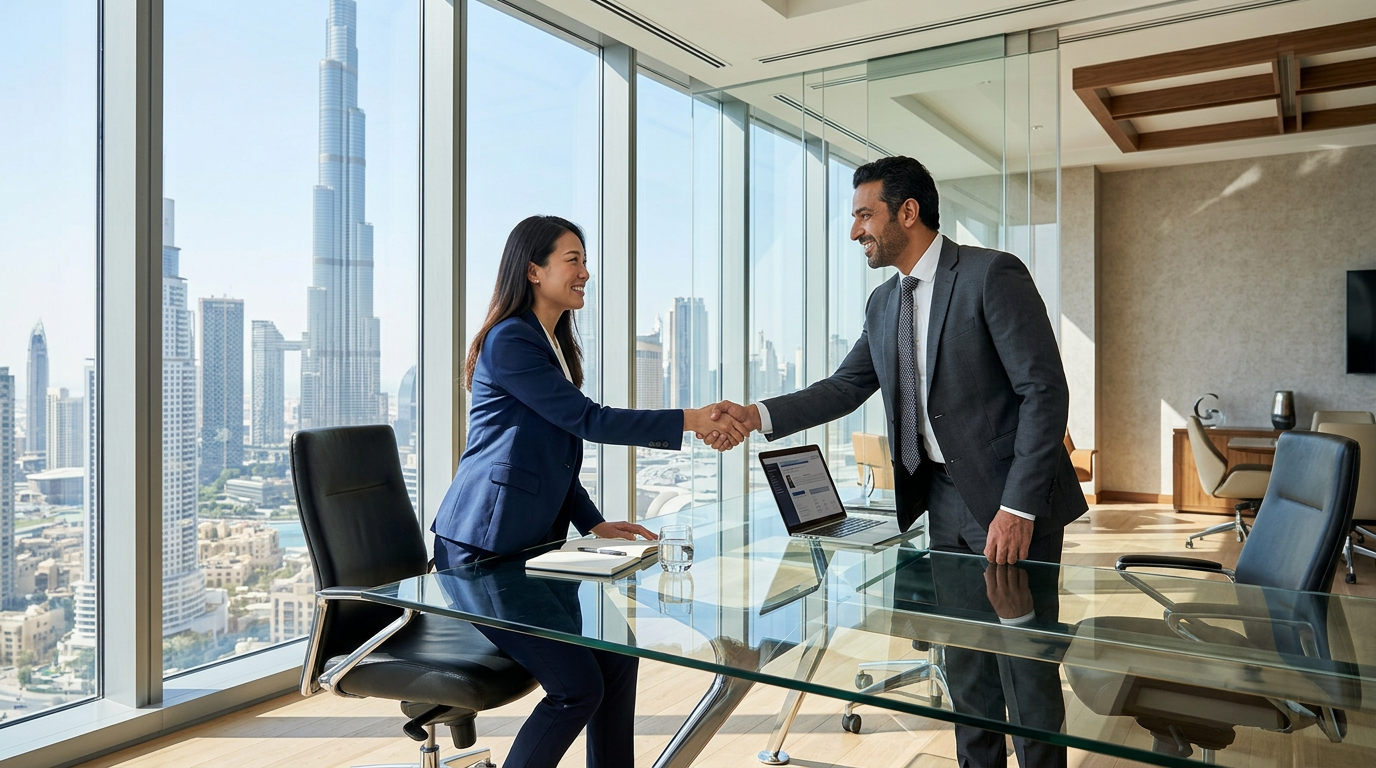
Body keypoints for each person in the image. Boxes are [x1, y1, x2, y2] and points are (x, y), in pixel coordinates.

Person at [706, 156, 1085, 768]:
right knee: (966, 666)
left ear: (907, 213)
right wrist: (754, 415)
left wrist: (1018, 506)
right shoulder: (885, 304)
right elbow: (843, 387)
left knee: (1026, 669)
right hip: (942, 500)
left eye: (864, 215)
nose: (855, 231)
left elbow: (1044, 392)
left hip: (1014, 501)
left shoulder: (991, 275)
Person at [431, 214, 746, 768]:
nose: (585, 272)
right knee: (577, 688)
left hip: (527, 545)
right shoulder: (511, 341)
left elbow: (550, 455)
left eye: (584, 259)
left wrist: (592, 523)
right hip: (481, 548)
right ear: (534, 270)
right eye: (572, 260)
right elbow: (587, 420)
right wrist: (694, 419)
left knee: (615, 659)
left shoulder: (549, 342)